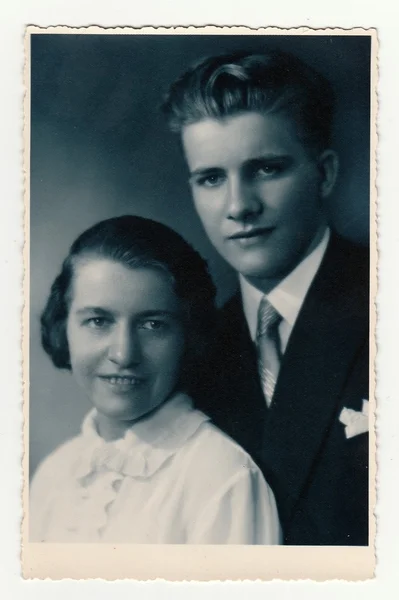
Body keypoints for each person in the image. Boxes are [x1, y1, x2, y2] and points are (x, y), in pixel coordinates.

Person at [162, 50, 370, 545]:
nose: (238, 206)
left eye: (267, 169)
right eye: (211, 178)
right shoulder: (192, 353)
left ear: (324, 174)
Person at [30, 215, 281, 544]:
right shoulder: (54, 473)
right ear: (64, 326)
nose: (123, 354)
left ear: (189, 336)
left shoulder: (221, 477)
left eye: (153, 325)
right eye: (97, 320)